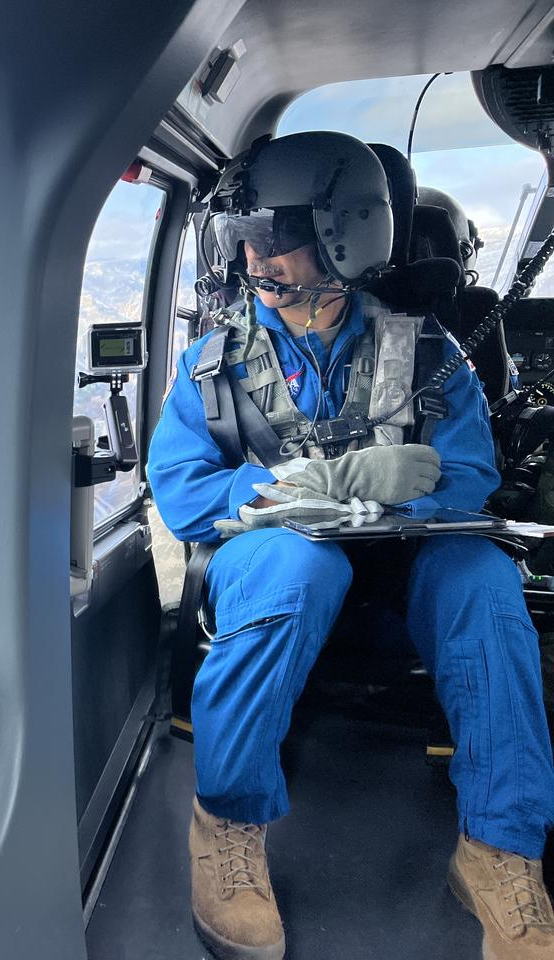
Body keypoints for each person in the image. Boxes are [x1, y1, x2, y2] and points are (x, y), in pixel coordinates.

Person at [146, 131, 554, 960]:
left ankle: (499, 848)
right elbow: (182, 490)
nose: (256, 256)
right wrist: (297, 490)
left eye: (278, 236)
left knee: (483, 579)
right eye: (243, 235)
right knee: (299, 561)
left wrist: (407, 492)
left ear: (346, 236)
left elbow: (470, 474)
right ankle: (227, 823)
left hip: (406, 571)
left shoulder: (429, 351)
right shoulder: (213, 367)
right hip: (277, 562)